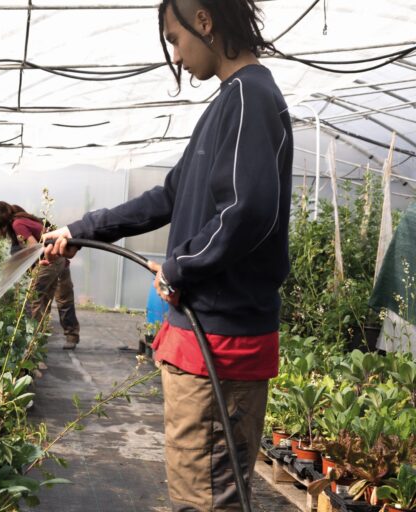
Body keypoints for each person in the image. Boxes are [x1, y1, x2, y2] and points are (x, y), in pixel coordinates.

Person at [43, 0, 292, 509]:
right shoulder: (227, 104)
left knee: (205, 498)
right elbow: (170, 197)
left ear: (205, 20)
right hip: (204, 343)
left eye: (174, 40)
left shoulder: (252, 98)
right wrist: (82, 228)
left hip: (220, 347)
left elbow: (247, 210)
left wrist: (181, 265)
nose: (176, 57)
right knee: (199, 491)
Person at [0, 201, 81, 350]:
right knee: (57, 299)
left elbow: (33, 245)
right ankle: (66, 336)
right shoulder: (23, 219)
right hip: (59, 259)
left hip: (51, 260)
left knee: (35, 297)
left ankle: (33, 342)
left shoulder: (17, 224)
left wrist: (18, 263)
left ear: (0, 217)